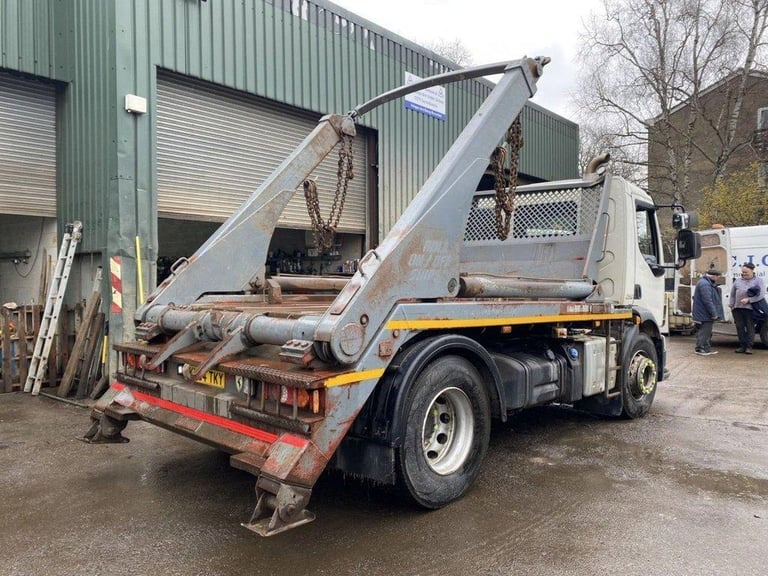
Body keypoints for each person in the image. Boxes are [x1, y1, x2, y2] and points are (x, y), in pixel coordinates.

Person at [729, 262, 766, 354]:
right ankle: (742, 346)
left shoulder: (758, 281)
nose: (744, 274)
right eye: (743, 272)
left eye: (746, 272)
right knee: (740, 327)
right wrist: (731, 304)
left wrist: (749, 300)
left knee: (750, 328)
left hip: (750, 308)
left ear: (752, 271)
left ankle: (749, 347)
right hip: (737, 308)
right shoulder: (738, 281)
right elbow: (732, 294)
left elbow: (761, 295)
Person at [692, 268, 724, 355]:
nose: (717, 278)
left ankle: (706, 348)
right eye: (717, 276)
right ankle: (700, 348)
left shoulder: (706, 282)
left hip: (704, 313)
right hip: (704, 313)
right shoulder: (705, 284)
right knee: (704, 331)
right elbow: (707, 300)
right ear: (713, 276)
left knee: (707, 331)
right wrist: (713, 313)